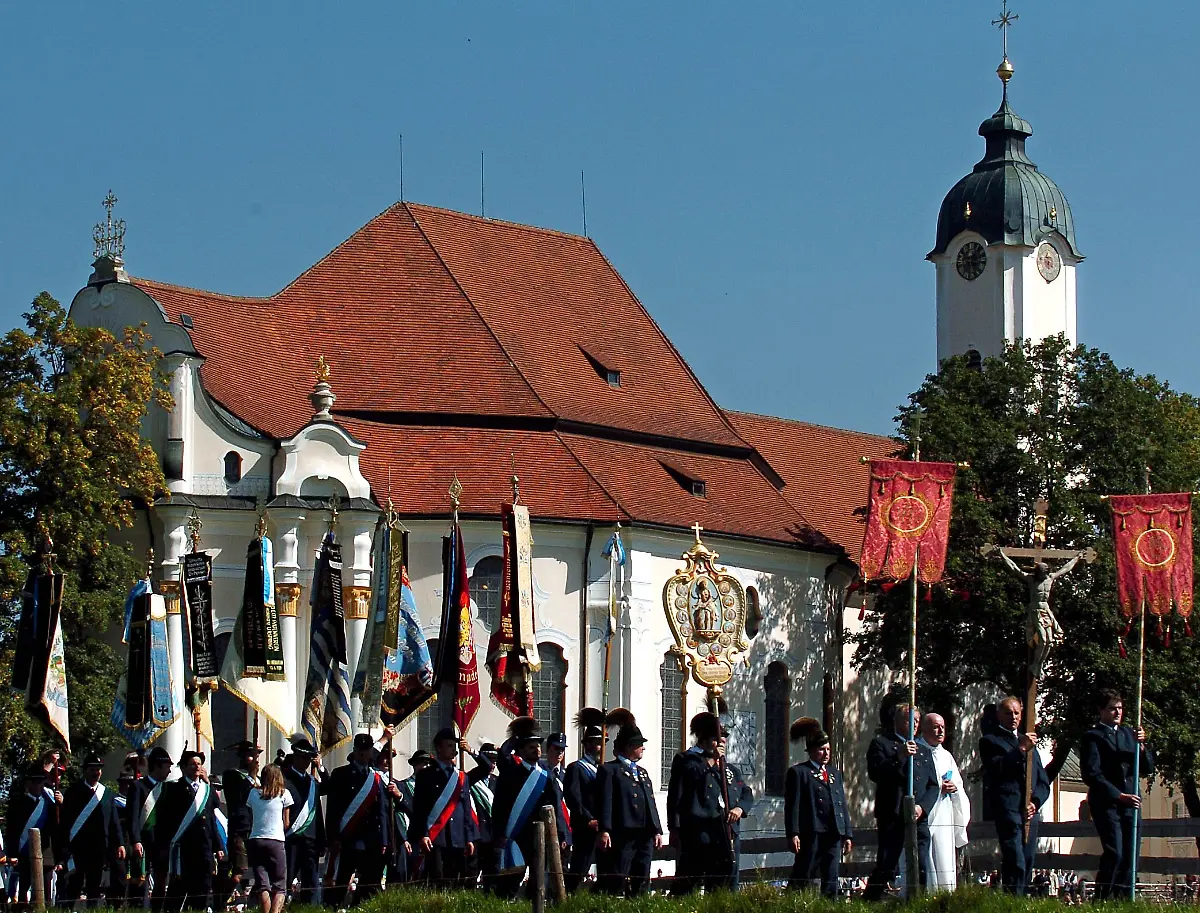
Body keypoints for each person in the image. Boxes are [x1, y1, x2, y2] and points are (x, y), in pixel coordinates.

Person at [1080, 687, 1155, 900]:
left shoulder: (1129, 734)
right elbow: (1092, 773)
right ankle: (1103, 897)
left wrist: (1142, 747)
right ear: (1101, 710)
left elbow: (1148, 767)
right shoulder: (1093, 737)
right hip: (1108, 802)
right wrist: (1118, 795)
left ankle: (1123, 898)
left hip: (1131, 802)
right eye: (1112, 708)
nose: (1118, 712)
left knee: (1131, 854)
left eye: (1120, 708)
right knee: (1116, 851)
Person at [862, 703, 939, 900]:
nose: (914, 724)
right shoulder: (882, 744)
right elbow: (876, 773)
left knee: (921, 864)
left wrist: (923, 807)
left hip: (918, 816)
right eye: (909, 720)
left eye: (917, 721)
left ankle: (918, 901)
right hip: (893, 813)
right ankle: (870, 900)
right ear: (897, 721)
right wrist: (899, 756)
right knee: (887, 863)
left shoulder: (923, 751)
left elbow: (933, 785)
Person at [979, 695, 1050, 895]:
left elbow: (1042, 781)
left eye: (1017, 713)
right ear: (999, 715)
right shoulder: (990, 741)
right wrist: (1020, 750)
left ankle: (1021, 899)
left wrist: (1035, 802)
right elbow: (997, 768)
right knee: (1015, 858)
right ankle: (1012, 898)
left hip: (1029, 811)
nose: (1013, 717)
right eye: (1008, 713)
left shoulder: (1028, 743)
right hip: (1008, 808)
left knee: (1027, 859)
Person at [492, 717, 568, 898]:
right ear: (521, 750)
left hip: (539, 834)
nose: (537, 749)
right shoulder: (511, 771)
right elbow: (500, 806)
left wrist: (561, 834)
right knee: (510, 880)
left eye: (538, 746)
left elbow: (555, 807)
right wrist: (517, 736)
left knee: (538, 879)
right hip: (516, 834)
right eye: (531, 746)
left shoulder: (545, 775)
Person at [595, 709, 662, 897]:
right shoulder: (610, 770)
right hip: (623, 832)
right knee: (618, 875)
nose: (643, 748)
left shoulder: (642, 772)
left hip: (644, 833)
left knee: (642, 875)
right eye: (639, 745)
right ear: (630, 746)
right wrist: (604, 829)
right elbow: (605, 801)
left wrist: (656, 829)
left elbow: (650, 802)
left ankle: (638, 902)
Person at [667, 711, 733, 893]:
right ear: (704, 740)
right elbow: (679, 792)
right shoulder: (685, 759)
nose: (720, 744)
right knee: (691, 872)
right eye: (715, 740)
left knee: (720, 871)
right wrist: (674, 827)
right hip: (695, 825)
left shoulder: (720, 763)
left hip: (716, 824)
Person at [785, 718, 852, 896]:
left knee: (831, 874)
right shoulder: (800, 773)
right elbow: (793, 806)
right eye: (822, 749)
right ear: (812, 751)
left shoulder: (834, 774)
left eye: (828, 749)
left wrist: (847, 834)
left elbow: (841, 804)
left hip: (833, 831)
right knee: (804, 870)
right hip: (812, 831)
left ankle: (829, 904)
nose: (826, 753)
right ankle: (792, 900)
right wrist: (793, 833)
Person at [325, 733, 390, 907]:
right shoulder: (341, 774)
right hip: (349, 836)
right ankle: (335, 907)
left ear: (370, 752)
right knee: (342, 878)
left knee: (369, 880)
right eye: (360, 750)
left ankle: (359, 907)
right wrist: (333, 837)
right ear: (354, 751)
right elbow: (333, 809)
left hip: (371, 838)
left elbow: (382, 811)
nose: (363, 753)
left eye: (366, 750)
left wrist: (384, 839)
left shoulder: (375, 778)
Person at [409, 728, 476, 888]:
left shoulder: (461, 776)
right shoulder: (426, 775)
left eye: (454, 746)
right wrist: (424, 834)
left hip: (457, 836)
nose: (453, 749)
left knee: (455, 879)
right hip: (436, 835)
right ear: (439, 748)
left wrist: (469, 837)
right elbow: (420, 808)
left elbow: (466, 809)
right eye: (449, 745)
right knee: (437, 877)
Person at [160, 747, 222, 913]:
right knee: (179, 887)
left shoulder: (206, 789)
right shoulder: (174, 789)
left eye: (199, 764)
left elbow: (212, 816)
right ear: (183, 767)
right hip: (185, 846)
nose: (197, 767)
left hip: (205, 846)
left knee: (202, 888)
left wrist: (218, 846)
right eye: (192, 764)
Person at [60, 754, 126, 907]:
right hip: (78, 846)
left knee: (94, 884)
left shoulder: (107, 794)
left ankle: (92, 909)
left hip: (99, 846)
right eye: (92, 769)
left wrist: (120, 843)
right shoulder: (73, 791)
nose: (96, 773)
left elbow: (114, 822)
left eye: (98, 769)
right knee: (74, 882)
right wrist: (64, 846)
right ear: (85, 771)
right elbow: (65, 821)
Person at [917, 712, 970, 891]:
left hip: (945, 812)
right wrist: (939, 787)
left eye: (943, 727)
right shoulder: (918, 752)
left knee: (944, 855)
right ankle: (926, 894)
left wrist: (954, 788)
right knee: (927, 856)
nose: (940, 731)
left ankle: (946, 894)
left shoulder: (946, 756)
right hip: (927, 812)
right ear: (924, 729)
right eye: (935, 727)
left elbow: (958, 784)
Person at [281, 737, 326, 905]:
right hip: (291, 837)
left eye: (308, 758)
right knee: (287, 877)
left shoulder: (312, 782)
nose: (305, 761)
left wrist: (320, 767)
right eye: (302, 757)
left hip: (310, 838)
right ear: (295, 756)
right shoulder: (284, 778)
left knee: (310, 881)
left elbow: (329, 787)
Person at [563, 708, 605, 892]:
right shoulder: (576, 768)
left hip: (602, 825)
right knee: (580, 865)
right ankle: (569, 896)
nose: (600, 747)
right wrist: (588, 819)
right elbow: (573, 798)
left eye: (602, 743)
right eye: (597, 743)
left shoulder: (603, 769)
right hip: (584, 826)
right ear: (587, 745)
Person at [5, 765, 57, 911]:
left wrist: (60, 804)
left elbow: (56, 829)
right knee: (24, 886)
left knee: (46, 887)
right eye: (34, 782)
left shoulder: (49, 804)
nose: (38, 785)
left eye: (40, 782)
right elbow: (12, 830)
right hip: (24, 851)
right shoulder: (18, 803)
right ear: (28, 783)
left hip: (45, 850)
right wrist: (12, 853)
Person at [245, 764, 293, 913]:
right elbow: (286, 822)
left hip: (256, 838)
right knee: (279, 884)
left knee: (262, 883)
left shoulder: (253, 793)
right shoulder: (284, 794)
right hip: (276, 839)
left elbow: (251, 816)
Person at [131, 746, 173, 912]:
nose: (169, 771)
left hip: (162, 842)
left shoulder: (168, 788)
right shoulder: (138, 786)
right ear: (157, 766)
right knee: (139, 881)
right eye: (167, 766)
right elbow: (133, 816)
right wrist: (135, 840)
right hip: (143, 841)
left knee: (161, 881)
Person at [220, 740, 263, 897]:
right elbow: (240, 796)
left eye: (256, 756)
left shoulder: (259, 779)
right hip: (240, 828)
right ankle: (222, 899)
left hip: (256, 828)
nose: (255, 760)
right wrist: (251, 776)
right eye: (251, 755)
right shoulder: (232, 775)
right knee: (239, 871)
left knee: (260, 870)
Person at [720, 725, 754, 889]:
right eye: (718, 740)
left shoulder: (731, 770)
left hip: (732, 832)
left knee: (732, 880)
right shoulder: (699, 767)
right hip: (712, 832)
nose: (722, 743)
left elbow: (746, 792)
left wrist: (740, 808)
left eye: (724, 740)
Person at [392, 749, 433, 884]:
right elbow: (400, 814)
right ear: (414, 765)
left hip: (432, 835)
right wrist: (403, 839)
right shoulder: (402, 786)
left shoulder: (435, 787)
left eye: (428, 764)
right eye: (422, 763)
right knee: (409, 874)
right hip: (412, 837)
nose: (425, 766)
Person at [463, 742, 499, 887]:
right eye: (489, 760)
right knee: (471, 876)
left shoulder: (498, 781)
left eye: (495, 761)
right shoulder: (470, 778)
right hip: (476, 834)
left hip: (493, 835)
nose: (493, 764)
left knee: (492, 877)